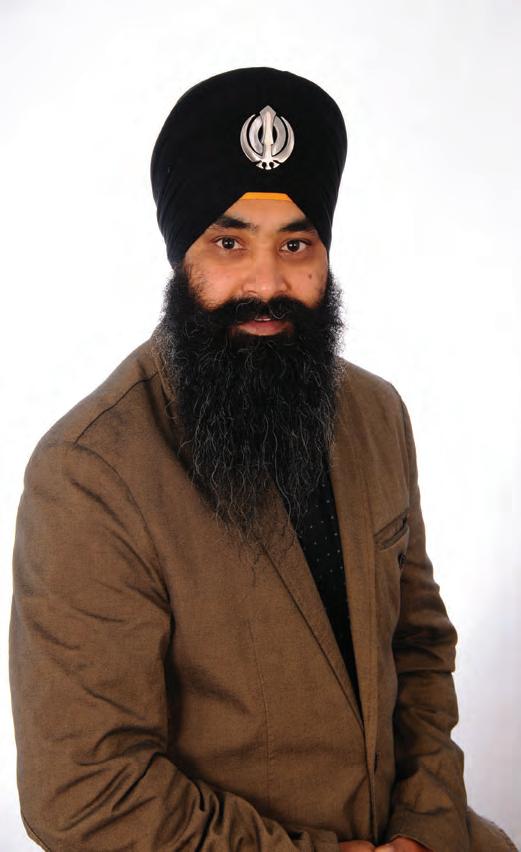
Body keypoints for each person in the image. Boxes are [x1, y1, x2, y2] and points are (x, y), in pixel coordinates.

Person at [9, 67, 516, 852]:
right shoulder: (90, 474)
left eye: (295, 244)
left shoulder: (375, 413)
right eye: (229, 243)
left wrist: (422, 827)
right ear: (180, 257)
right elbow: (83, 791)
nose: (267, 282)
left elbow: (417, 648)